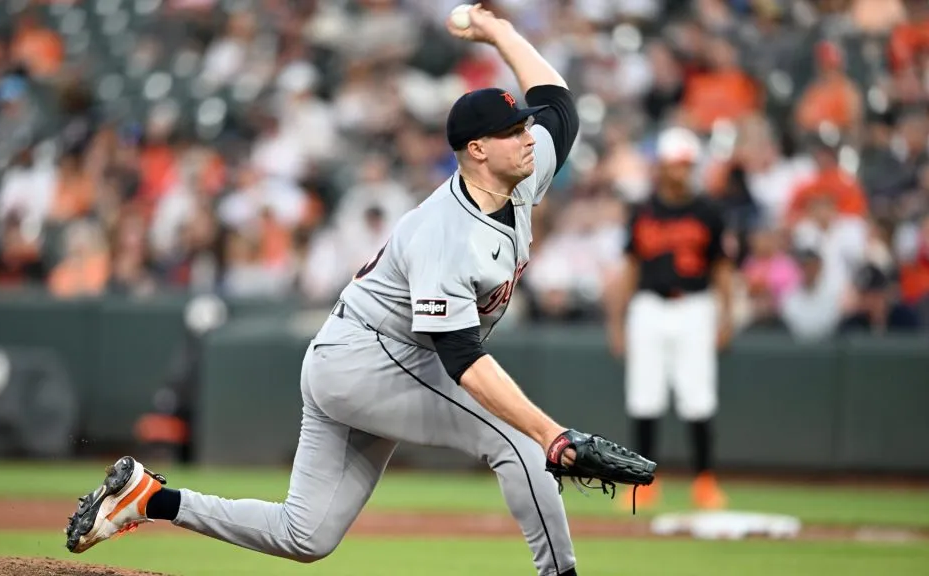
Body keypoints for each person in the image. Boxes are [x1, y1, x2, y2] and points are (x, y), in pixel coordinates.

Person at [64, 7, 653, 576]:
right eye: (513, 131)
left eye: (524, 126)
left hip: (358, 355)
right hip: (366, 361)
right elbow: (462, 358)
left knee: (306, 535)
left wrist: (499, 32)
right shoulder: (446, 234)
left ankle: (148, 499)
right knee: (519, 441)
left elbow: (559, 103)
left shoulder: (520, 173)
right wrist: (550, 433)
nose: (529, 136)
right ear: (477, 150)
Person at [607, 127, 734, 511]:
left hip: (696, 305)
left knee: (698, 398)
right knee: (644, 397)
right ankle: (644, 484)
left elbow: (721, 268)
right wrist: (616, 319)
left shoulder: (708, 210)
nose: (681, 172)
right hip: (648, 305)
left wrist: (727, 316)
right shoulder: (643, 210)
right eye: (675, 164)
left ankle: (704, 481)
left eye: (686, 165)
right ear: (661, 166)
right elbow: (629, 267)